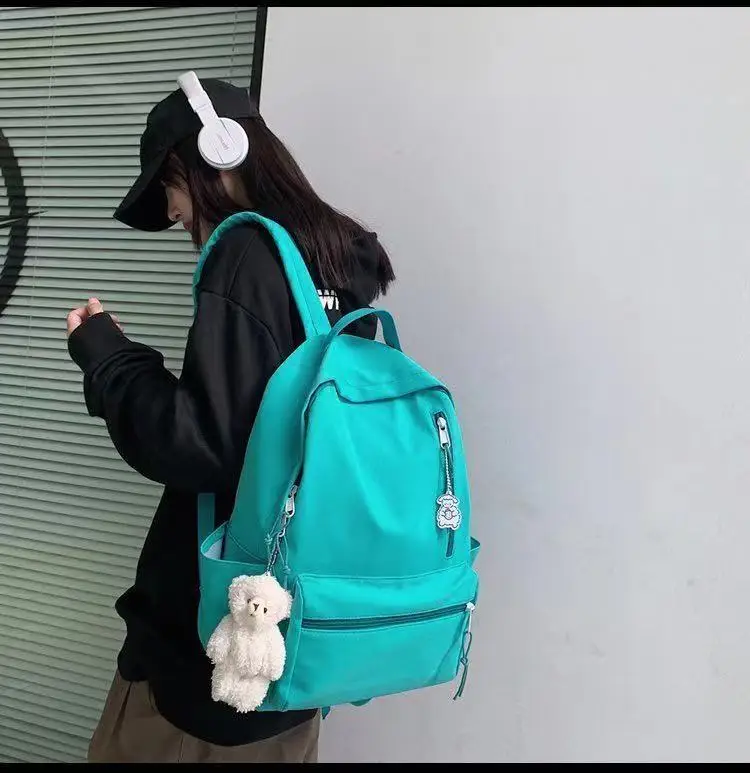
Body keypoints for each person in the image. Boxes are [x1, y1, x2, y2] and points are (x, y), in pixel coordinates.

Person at [66, 77, 395, 763]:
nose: (174, 212)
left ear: (216, 153)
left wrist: (108, 357)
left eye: (170, 187)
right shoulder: (342, 255)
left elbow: (201, 444)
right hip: (294, 642)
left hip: (205, 659)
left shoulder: (245, 252)